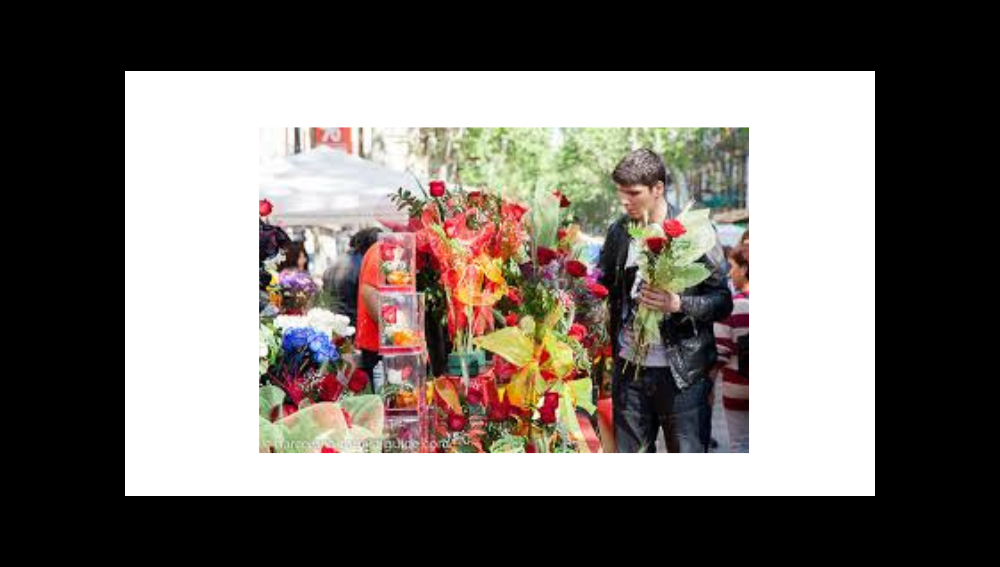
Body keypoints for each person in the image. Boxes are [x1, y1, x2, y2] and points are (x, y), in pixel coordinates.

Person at [598, 149, 733, 453]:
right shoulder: (619, 231)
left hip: (683, 376)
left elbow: (723, 301)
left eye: (633, 193)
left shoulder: (695, 231)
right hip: (629, 371)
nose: (624, 201)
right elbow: (604, 289)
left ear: (658, 188)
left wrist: (679, 304)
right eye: (620, 192)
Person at [714, 246, 749, 452]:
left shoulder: (733, 306)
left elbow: (720, 352)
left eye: (732, 267)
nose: (729, 274)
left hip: (739, 389)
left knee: (741, 445)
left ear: (744, 269)